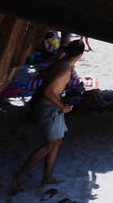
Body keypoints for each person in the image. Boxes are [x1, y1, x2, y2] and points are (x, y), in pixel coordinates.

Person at [12, 39, 84, 193]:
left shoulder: (62, 63)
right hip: (49, 108)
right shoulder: (65, 69)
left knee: (56, 142)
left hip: (48, 106)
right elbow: (48, 92)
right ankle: (20, 174)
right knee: (50, 144)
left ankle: (47, 177)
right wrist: (62, 106)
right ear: (81, 55)